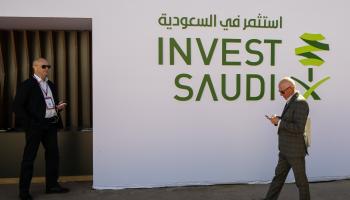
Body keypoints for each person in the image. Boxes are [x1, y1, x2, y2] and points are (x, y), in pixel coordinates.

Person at [13, 58, 69, 200]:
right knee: (29, 158)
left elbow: (50, 104)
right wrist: (29, 125)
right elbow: (17, 106)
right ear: (35, 67)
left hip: (50, 125)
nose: (46, 69)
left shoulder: (50, 84)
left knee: (53, 155)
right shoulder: (27, 85)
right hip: (35, 127)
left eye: (48, 66)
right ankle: (23, 191)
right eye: (43, 66)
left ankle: (52, 185)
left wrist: (58, 107)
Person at [263, 77, 310, 200]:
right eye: (279, 91)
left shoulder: (301, 103)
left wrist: (279, 122)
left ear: (292, 88)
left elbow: (299, 128)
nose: (280, 94)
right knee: (278, 178)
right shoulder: (291, 100)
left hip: (295, 151)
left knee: (301, 183)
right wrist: (277, 120)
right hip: (285, 150)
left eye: (282, 92)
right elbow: (288, 121)